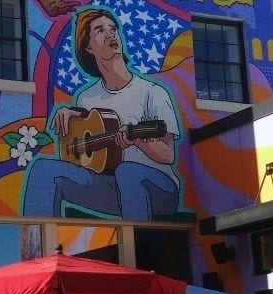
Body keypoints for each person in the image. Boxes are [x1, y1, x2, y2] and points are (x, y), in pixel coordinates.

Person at [22, 7, 182, 221]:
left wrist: (137, 141)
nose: (110, 35)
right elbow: (83, 157)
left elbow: (168, 155)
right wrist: (69, 114)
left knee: (127, 171)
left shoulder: (152, 93)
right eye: (100, 30)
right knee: (43, 169)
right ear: (88, 46)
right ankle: (39, 252)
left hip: (159, 189)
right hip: (111, 186)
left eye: (113, 29)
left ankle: (137, 251)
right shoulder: (86, 98)